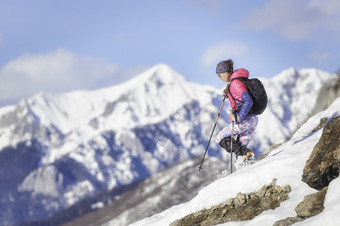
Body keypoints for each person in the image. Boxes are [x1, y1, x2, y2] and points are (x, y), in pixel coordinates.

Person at [214, 59, 257, 164]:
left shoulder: (235, 84)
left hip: (244, 120)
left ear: (225, 72)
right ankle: (245, 164)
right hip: (252, 119)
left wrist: (239, 117)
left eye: (219, 75)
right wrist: (228, 94)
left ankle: (246, 154)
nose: (219, 78)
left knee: (219, 137)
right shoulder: (236, 82)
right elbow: (239, 99)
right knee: (240, 148)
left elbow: (248, 100)